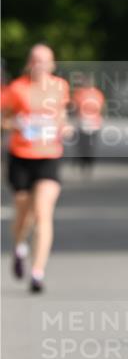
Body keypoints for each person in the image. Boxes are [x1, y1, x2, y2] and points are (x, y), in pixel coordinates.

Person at [2, 44, 71, 292]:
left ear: (52, 64)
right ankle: (20, 246)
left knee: (43, 212)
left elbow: (61, 116)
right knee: (23, 214)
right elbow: (4, 119)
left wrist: (64, 127)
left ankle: (37, 272)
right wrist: (16, 124)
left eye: (45, 61)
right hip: (21, 156)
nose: (40, 65)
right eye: (36, 60)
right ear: (29, 63)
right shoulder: (16, 89)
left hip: (49, 155)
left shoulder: (60, 87)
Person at [72, 73, 105, 175]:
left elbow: (101, 107)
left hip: (93, 123)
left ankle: (88, 163)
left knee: (89, 145)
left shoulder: (96, 94)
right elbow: (75, 106)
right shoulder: (80, 93)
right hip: (83, 122)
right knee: (83, 145)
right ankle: (84, 162)